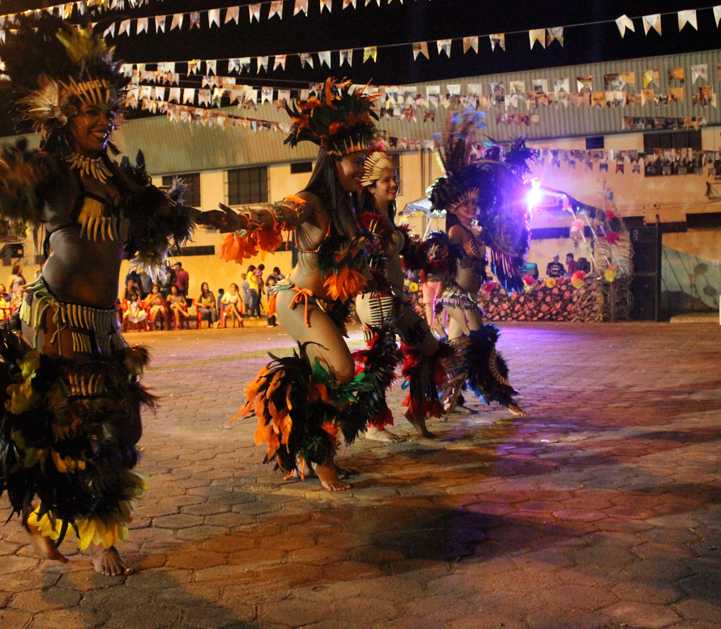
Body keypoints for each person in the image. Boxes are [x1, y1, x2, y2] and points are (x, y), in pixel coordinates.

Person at [0, 17, 200, 576]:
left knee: (123, 423)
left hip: (102, 321)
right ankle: (96, 538)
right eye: (91, 112)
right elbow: (0, 184)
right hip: (55, 315)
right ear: (66, 115)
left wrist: (247, 217)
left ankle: (48, 523)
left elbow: (171, 217)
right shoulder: (56, 173)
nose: (103, 121)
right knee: (75, 421)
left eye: (109, 111)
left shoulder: (118, 180)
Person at [208, 79, 385, 491]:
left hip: (324, 306)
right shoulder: (313, 201)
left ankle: (319, 453)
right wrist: (244, 219)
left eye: (364, 161)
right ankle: (320, 460)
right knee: (341, 368)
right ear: (332, 161)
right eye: (354, 162)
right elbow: (281, 211)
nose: (362, 169)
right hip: (296, 301)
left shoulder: (350, 208)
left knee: (330, 378)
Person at [429, 113, 527, 417]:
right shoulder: (457, 231)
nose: (473, 208)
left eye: (474, 204)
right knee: (484, 345)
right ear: (453, 207)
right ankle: (505, 398)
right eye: (466, 204)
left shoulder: (471, 228)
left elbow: (495, 248)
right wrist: (430, 302)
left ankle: (446, 401)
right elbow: (442, 261)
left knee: (457, 348)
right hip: (457, 297)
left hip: (466, 296)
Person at [355, 147, 452, 441]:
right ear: (370, 186)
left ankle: (416, 412)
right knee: (379, 358)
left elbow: (411, 254)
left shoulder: (388, 220)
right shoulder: (364, 223)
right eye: (385, 180)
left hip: (395, 299)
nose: (393, 183)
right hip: (374, 298)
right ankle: (373, 425)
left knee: (428, 348)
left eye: (394, 177)